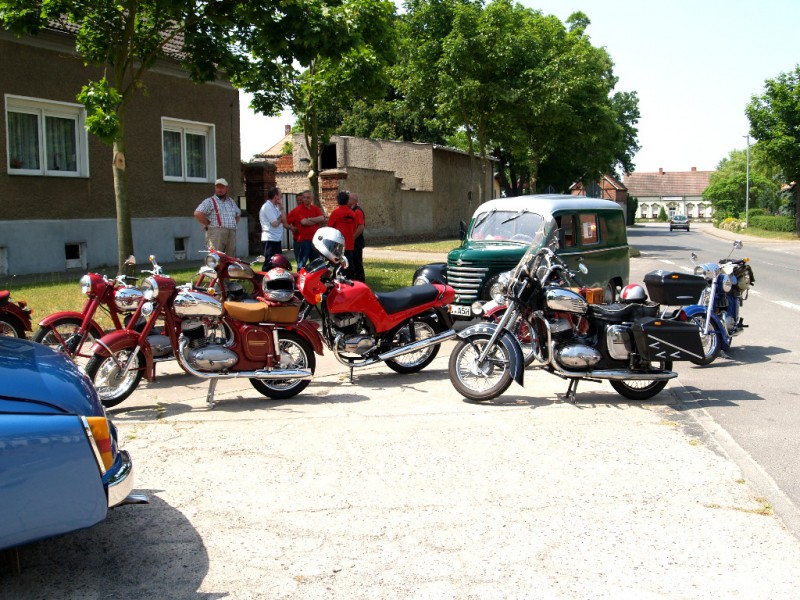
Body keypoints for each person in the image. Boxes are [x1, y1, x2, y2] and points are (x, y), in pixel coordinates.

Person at [194, 178, 241, 255]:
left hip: (231, 232)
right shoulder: (210, 201)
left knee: (230, 258)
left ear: (226, 188)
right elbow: (197, 213)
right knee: (216, 258)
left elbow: (238, 213)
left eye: (222, 187)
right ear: (215, 188)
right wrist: (207, 223)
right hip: (216, 232)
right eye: (218, 187)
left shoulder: (231, 201)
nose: (220, 189)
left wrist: (233, 223)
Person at [287, 189, 326, 270]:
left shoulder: (315, 208)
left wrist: (309, 219)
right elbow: (304, 222)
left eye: (308, 198)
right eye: (304, 197)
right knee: (302, 263)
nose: (305, 199)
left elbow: (322, 218)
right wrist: (315, 221)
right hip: (303, 240)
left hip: (315, 240)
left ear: (311, 198)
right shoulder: (299, 209)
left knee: (316, 263)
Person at [327, 191, 357, 277]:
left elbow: (330, 228)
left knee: (337, 264)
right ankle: (350, 279)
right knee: (349, 263)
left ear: (337, 200)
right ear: (347, 201)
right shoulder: (352, 213)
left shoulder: (335, 213)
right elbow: (354, 228)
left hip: (338, 244)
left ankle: (337, 279)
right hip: (349, 243)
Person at [259, 186, 287, 259]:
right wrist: (280, 218)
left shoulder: (275, 208)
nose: (281, 198)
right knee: (269, 262)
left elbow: (284, 220)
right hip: (269, 238)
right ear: (275, 196)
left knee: (277, 261)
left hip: (277, 238)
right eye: (280, 195)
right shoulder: (267, 207)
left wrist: (282, 208)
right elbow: (275, 223)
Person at [348, 192, 366, 282]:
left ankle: (360, 282)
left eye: (348, 199)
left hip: (356, 242)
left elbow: (361, 227)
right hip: (354, 241)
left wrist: (353, 238)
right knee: (354, 263)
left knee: (357, 263)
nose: (347, 200)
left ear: (353, 201)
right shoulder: (352, 210)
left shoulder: (357, 211)